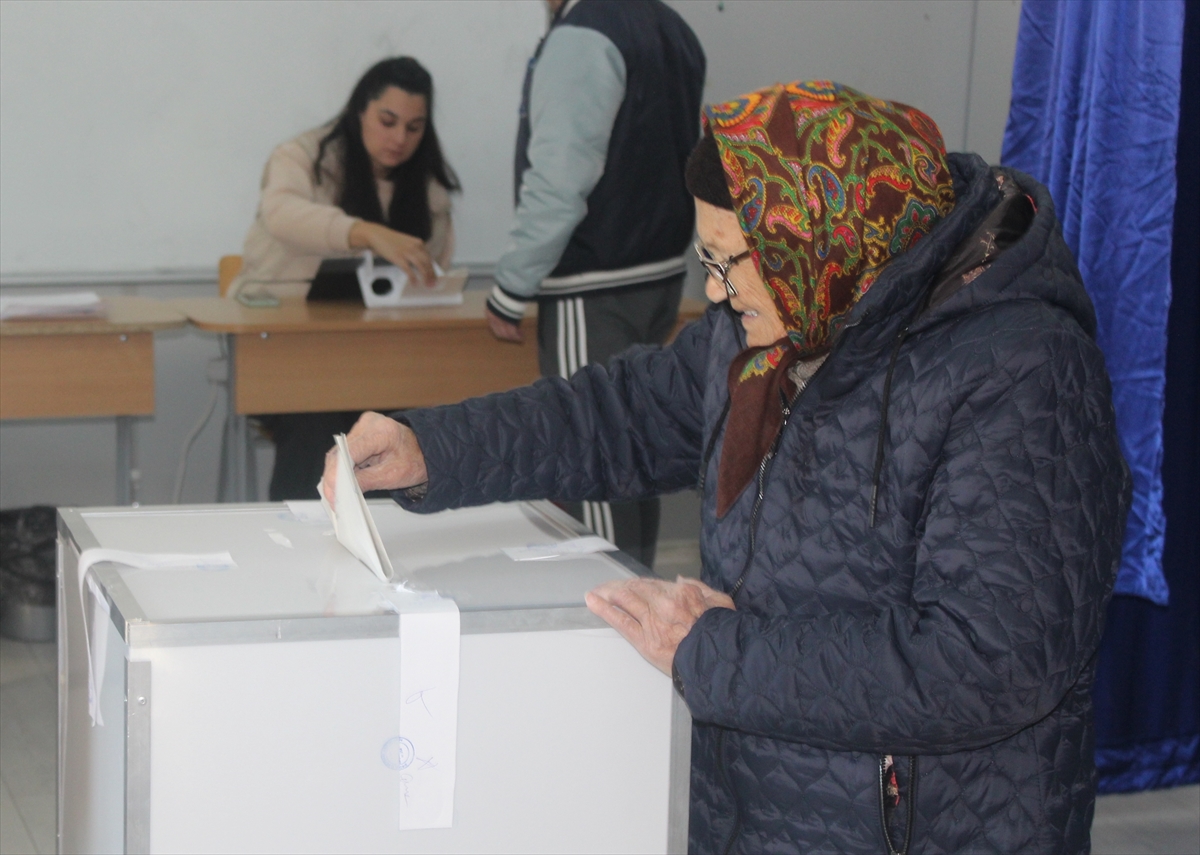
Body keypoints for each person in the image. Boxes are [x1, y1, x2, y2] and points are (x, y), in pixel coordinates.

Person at [323, 82, 1130, 853]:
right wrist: (434, 446)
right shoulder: (771, 325)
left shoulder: (1023, 372)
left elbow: (988, 661)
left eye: (732, 259)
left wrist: (713, 653)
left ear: (818, 234)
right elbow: (617, 416)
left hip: (930, 825)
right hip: (753, 808)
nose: (714, 288)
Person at [483, 0, 705, 568]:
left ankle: (611, 607)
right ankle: (636, 594)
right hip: (658, 275)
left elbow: (560, 176)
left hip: (592, 280)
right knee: (636, 450)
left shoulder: (583, 34)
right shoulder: (673, 28)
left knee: (593, 455)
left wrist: (510, 286)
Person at [227, 56, 459, 501]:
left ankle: (393, 549)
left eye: (414, 128)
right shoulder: (303, 157)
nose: (399, 139)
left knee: (416, 427)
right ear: (359, 111)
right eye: (387, 121)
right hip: (293, 353)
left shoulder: (426, 185)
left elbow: (431, 273)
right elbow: (281, 214)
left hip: (387, 358)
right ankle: (301, 547)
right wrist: (367, 233)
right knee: (317, 421)